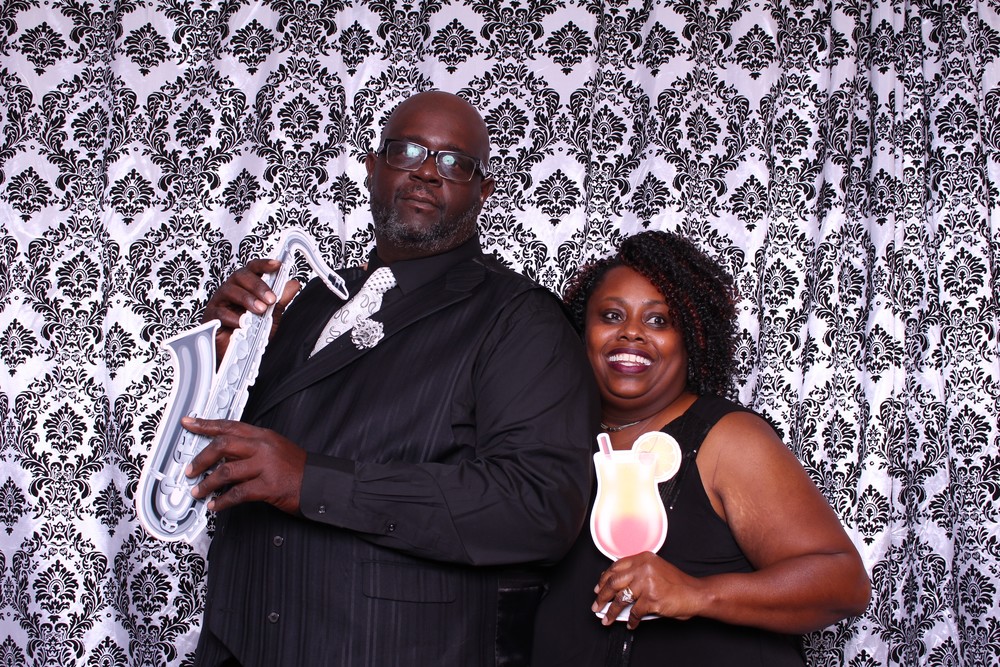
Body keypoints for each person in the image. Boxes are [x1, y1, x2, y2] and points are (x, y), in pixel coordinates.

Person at [179, 90, 600, 667]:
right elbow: (224, 459)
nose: (427, 171)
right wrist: (223, 358)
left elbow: (539, 506)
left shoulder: (519, 319)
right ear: (373, 167)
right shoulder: (308, 300)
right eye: (408, 151)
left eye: (454, 162)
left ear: (483, 192)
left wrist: (313, 481)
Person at [531, 230, 871, 667]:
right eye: (611, 316)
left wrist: (697, 593)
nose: (631, 333)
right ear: (583, 332)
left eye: (659, 321)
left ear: (693, 337)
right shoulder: (549, 437)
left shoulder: (729, 439)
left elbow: (844, 583)